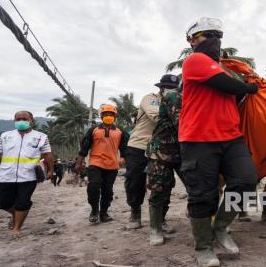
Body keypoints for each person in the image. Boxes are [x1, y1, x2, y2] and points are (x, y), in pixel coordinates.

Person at [180, 17, 258, 266]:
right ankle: (203, 247)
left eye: (218, 35)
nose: (215, 40)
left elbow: (233, 93)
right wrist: (249, 88)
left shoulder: (223, 66)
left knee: (246, 181)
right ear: (192, 40)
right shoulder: (195, 60)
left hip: (231, 136)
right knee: (203, 194)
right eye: (208, 35)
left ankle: (220, 226)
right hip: (198, 138)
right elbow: (226, 85)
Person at [0, 111, 54, 238]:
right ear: (14, 120)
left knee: (22, 203)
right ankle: (15, 214)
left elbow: (47, 155)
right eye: (18, 119)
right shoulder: (5, 136)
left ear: (32, 121)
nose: (21, 121)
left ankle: (17, 228)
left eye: (24, 118)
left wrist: (51, 170)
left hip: (29, 176)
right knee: (2, 203)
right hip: (6, 175)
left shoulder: (41, 137)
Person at [145, 74, 185, 245]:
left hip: (182, 153)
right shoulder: (173, 97)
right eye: (166, 87)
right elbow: (182, 124)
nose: (169, 89)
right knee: (159, 189)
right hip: (161, 152)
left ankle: (202, 219)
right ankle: (155, 228)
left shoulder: (189, 97)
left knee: (197, 186)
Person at [75, 104, 128, 223]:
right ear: (101, 116)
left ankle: (104, 213)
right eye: (106, 114)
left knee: (107, 191)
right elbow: (84, 147)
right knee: (93, 186)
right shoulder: (93, 130)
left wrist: (124, 158)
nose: (108, 116)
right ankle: (94, 210)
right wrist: (79, 162)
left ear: (115, 116)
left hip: (112, 165)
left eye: (111, 114)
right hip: (95, 163)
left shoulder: (120, 132)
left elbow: (124, 149)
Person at [124, 86, 162, 229]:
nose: (171, 91)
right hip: (139, 145)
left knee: (162, 183)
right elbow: (155, 115)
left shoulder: (179, 102)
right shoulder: (151, 99)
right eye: (168, 88)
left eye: (174, 89)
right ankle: (135, 212)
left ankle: (160, 217)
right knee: (135, 181)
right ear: (161, 88)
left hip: (161, 148)